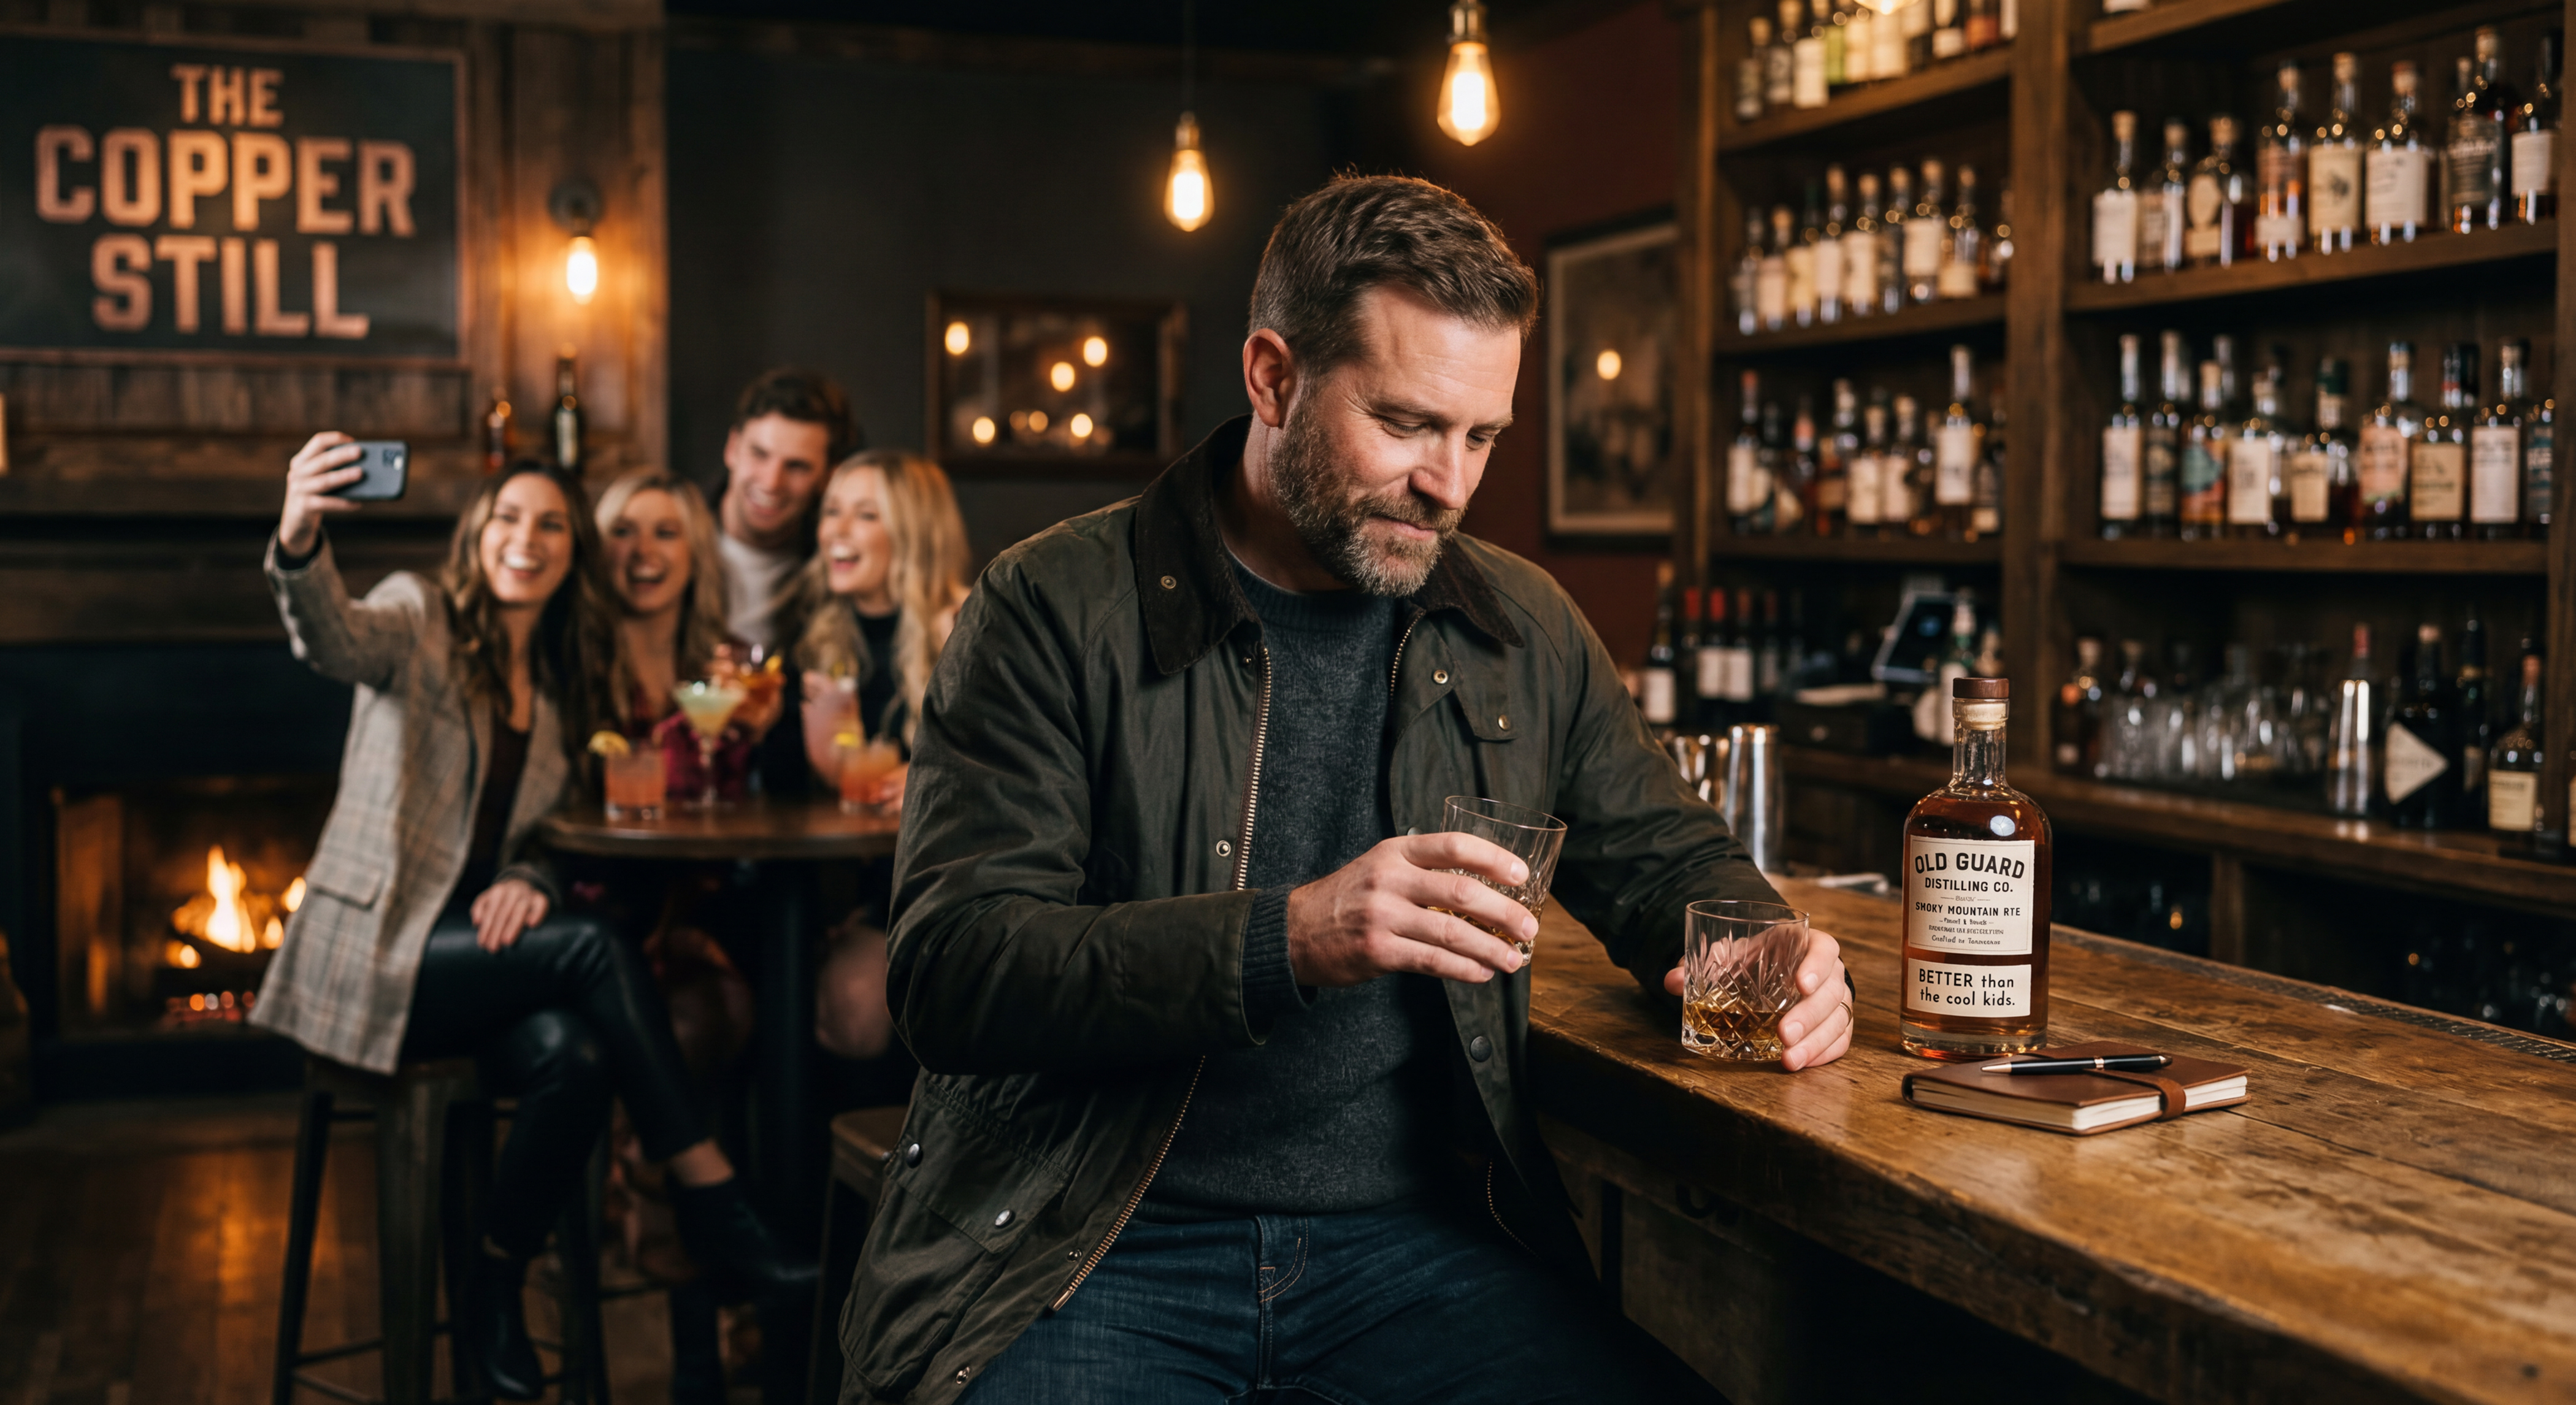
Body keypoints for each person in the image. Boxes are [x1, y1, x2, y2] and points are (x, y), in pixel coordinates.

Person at [843, 176, 1857, 1403]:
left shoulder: (1521, 624)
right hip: (1093, 1243)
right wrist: (1297, 933)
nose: (1453, 483)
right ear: (1272, 376)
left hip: (1421, 1247)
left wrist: (1778, 957)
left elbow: (1671, 860)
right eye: (1408, 422)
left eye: (1484, 435)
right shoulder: (1050, 606)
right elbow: (954, 971)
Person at [253, 435, 815, 1401]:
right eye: (510, 517)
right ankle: (715, 1193)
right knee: (595, 949)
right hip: (377, 953)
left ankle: (494, 1279)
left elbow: (540, 838)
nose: (530, 537)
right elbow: (330, 635)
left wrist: (535, 881)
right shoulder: (414, 615)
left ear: (571, 552)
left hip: (477, 957)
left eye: (552, 522)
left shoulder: (559, 693)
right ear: (477, 535)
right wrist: (300, 532)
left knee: (578, 1057)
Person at [772, 450, 970, 1064]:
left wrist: (937, 777)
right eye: (832, 512)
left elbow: (1031, 770)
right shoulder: (819, 635)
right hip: (850, 894)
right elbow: (785, 790)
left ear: (911, 531)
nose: (836, 530)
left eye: (864, 515)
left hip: (950, 899)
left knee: (857, 1003)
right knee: (808, 988)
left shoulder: (968, 624)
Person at [596, 469, 781, 800]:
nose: (643, 551)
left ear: (696, 552)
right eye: (623, 532)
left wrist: (762, 730)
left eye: (666, 533)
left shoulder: (734, 666)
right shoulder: (578, 661)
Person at [714, 368, 854, 651]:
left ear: (829, 477)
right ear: (732, 448)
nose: (771, 482)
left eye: (797, 466)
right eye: (760, 454)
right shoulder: (671, 540)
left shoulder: (839, 572)